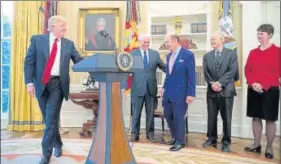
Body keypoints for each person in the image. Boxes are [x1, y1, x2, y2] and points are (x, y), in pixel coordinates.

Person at [24, 15, 83, 164]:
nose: (66, 29)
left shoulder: (69, 44)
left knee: (50, 120)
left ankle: (46, 154)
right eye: (62, 26)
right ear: (51, 27)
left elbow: (79, 61)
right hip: (41, 85)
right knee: (50, 119)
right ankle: (58, 144)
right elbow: (29, 62)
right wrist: (29, 83)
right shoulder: (37, 40)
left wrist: (95, 61)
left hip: (58, 84)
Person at [244, 24, 280, 159]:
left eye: (262, 34)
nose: (259, 36)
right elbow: (248, 69)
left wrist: (263, 84)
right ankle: (256, 144)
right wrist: (253, 83)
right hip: (254, 89)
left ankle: (269, 147)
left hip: (271, 89)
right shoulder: (253, 52)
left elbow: (277, 71)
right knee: (255, 117)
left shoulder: (278, 51)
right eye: (258, 33)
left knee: (270, 119)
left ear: (269, 35)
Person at [202, 31, 239, 152]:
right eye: (211, 40)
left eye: (214, 39)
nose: (212, 41)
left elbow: (232, 71)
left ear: (222, 40)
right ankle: (211, 138)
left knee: (226, 117)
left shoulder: (231, 54)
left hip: (227, 90)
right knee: (211, 116)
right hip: (212, 90)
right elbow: (206, 73)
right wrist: (212, 83)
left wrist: (220, 83)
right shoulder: (207, 56)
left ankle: (226, 141)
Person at [161, 34, 196, 151]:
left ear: (175, 41)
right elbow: (168, 74)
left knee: (178, 117)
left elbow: (191, 76)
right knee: (168, 115)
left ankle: (180, 142)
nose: (166, 45)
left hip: (181, 93)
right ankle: (175, 137)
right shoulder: (169, 56)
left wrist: (191, 93)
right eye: (165, 43)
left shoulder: (188, 55)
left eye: (167, 42)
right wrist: (163, 87)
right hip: (168, 92)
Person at [130, 34, 166, 143]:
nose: (146, 44)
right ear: (139, 42)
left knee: (150, 113)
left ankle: (150, 134)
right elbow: (125, 70)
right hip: (137, 88)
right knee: (136, 113)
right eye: (144, 42)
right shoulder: (132, 54)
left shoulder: (155, 54)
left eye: (148, 42)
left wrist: (175, 71)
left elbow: (164, 67)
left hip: (151, 89)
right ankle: (134, 134)